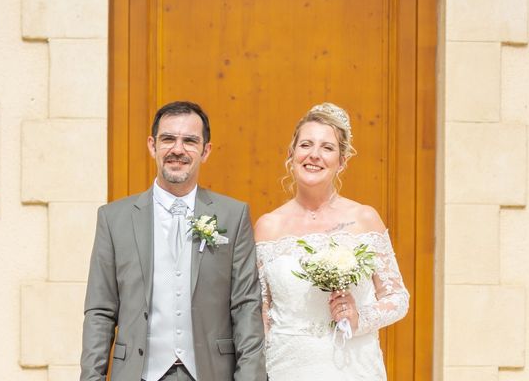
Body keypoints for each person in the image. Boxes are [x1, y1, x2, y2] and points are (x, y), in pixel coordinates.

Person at [81, 101, 266, 381]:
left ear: (205, 151)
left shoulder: (233, 215)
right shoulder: (113, 218)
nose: (177, 149)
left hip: (211, 373)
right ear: (152, 145)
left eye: (190, 141)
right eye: (168, 139)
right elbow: (100, 311)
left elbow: (246, 307)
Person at [254, 102, 409, 380]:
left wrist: (359, 317)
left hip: (354, 365)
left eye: (327, 148)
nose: (314, 155)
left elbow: (397, 298)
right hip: (287, 366)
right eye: (306, 145)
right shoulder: (267, 227)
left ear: (342, 161)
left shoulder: (364, 219)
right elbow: (261, 313)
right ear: (291, 153)